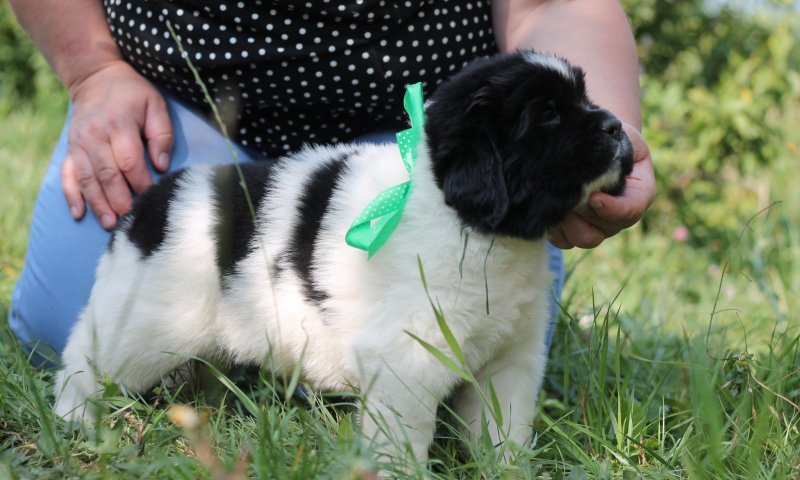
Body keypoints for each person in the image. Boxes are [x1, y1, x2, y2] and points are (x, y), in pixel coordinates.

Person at [7, 0, 655, 364]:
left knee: (462, 356)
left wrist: (593, 133)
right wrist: (92, 69)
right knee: (69, 333)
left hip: (433, 146)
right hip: (178, 108)